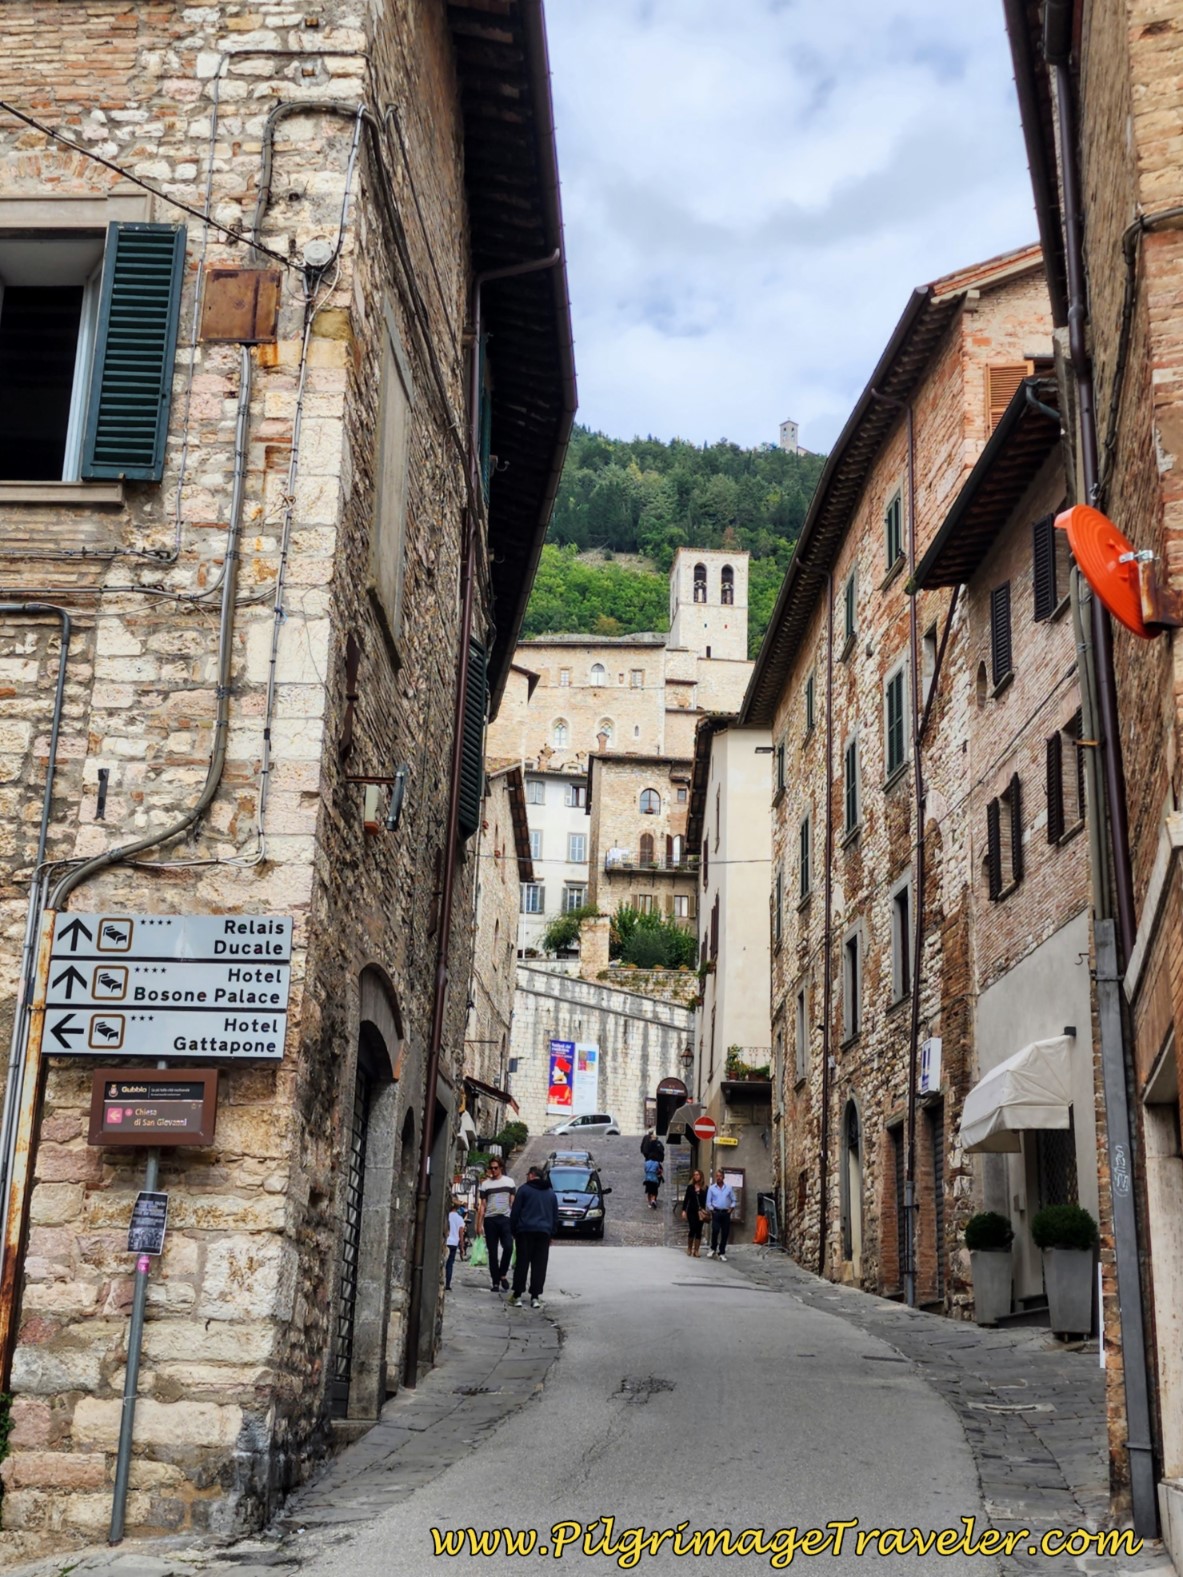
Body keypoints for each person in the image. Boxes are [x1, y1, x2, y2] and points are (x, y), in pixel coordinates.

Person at [508, 1164, 559, 1308]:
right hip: (543, 1233)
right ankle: (535, 1297)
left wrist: (514, 1231)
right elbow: (555, 1215)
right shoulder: (550, 1193)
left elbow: (515, 1213)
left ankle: (517, 1295)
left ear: (531, 1175)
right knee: (539, 1265)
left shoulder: (524, 1190)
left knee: (522, 1263)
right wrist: (552, 1233)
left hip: (525, 1231)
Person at [477, 1156, 516, 1293]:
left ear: (501, 1168)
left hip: (505, 1219)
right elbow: (482, 1205)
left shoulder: (509, 1182)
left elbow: (513, 1203)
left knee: (509, 1247)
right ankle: (495, 1281)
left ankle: (502, 1274)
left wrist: (515, 1221)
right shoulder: (485, 1184)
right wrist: (479, 1224)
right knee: (492, 1253)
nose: (493, 1170)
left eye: (495, 1168)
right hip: (490, 1220)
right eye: (491, 1168)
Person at [706, 1168, 736, 1261]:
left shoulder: (728, 1188)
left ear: (723, 1177)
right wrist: (712, 1210)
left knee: (725, 1232)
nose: (718, 1178)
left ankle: (722, 1252)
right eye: (717, 1176)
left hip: (725, 1212)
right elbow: (708, 1201)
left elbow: (734, 1200)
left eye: (720, 1176)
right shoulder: (712, 1188)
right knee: (715, 1230)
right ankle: (713, 1248)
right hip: (716, 1212)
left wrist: (731, 1208)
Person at [681, 1168, 708, 1256]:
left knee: (699, 1230)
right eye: (695, 1175)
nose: (696, 1176)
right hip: (691, 1211)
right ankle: (689, 1248)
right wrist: (684, 1210)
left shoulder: (705, 1188)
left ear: (701, 1176)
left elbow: (707, 1200)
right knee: (692, 1228)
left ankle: (696, 1250)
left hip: (700, 1212)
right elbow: (686, 1199)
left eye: (697, 1175)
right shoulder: (690, 1187)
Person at [445, 1199, 466, 1290]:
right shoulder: (460, 1219)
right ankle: (448, 1284)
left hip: (446, 1242)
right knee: (450, 1264)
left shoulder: (446, 1216)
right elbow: (461, 1233)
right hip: (453, 1244)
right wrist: (461, 1247)